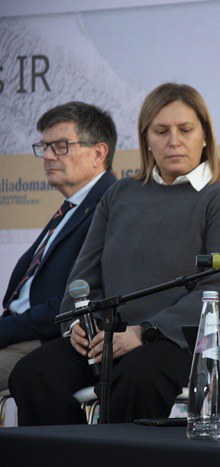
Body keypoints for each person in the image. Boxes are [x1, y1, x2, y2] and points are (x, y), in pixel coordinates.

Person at [10, 83, 220, 425]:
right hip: (105, 338)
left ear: (205, 137)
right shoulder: (120, 194)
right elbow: (83, 278)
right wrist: (79, 322)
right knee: (32, 374)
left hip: (176, 343)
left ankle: (112, 452)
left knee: (138, 376)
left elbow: (215, 290)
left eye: (185, 130)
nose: (174, 140)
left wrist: (145, 332)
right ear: (146, 140)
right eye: (161, 131)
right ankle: (71, 451)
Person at [0, 102, 117, 391]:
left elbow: (75, 298)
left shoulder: (110, 205)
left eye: (61, 146)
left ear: (98, 153)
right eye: (45, 147)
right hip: (22, 335)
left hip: (53, 342)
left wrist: (5, 329)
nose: (48, 156)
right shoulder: (73, 208)